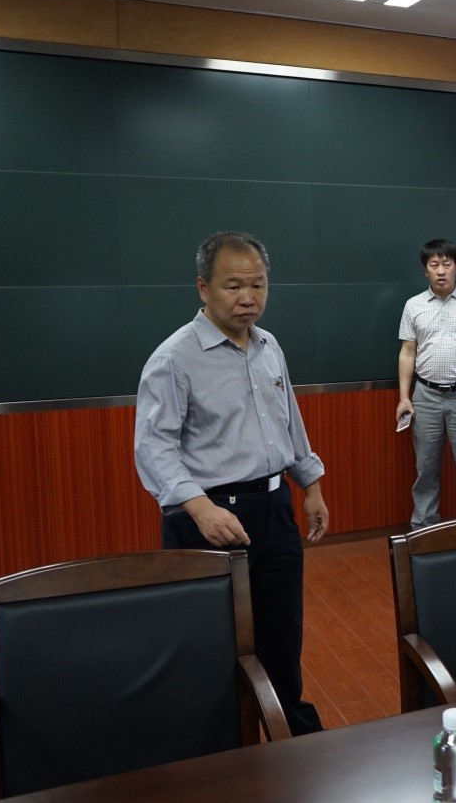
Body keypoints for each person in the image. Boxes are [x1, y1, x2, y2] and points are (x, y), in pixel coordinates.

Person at [135, 230, 329, 735]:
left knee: (281, 634)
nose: (249, 298)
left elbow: (288, 420)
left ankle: (291, 734)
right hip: (209, 519)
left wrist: (310, 485)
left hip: (275, 511)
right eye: (234, 286)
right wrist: (200, 508)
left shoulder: (268, 345)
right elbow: (154, 447)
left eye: (258, 285)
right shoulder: (174, 358)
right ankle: (218, 747)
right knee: (209, 643)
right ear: (203, 287)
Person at [397, 239, 456, 529]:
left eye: (446, 264)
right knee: (425, 469)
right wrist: (404, 397)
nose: (441, 271)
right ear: (425, 270)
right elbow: (407, 352)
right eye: (434, 265)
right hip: (425, 396)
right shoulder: (413, 305)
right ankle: (423, 528)